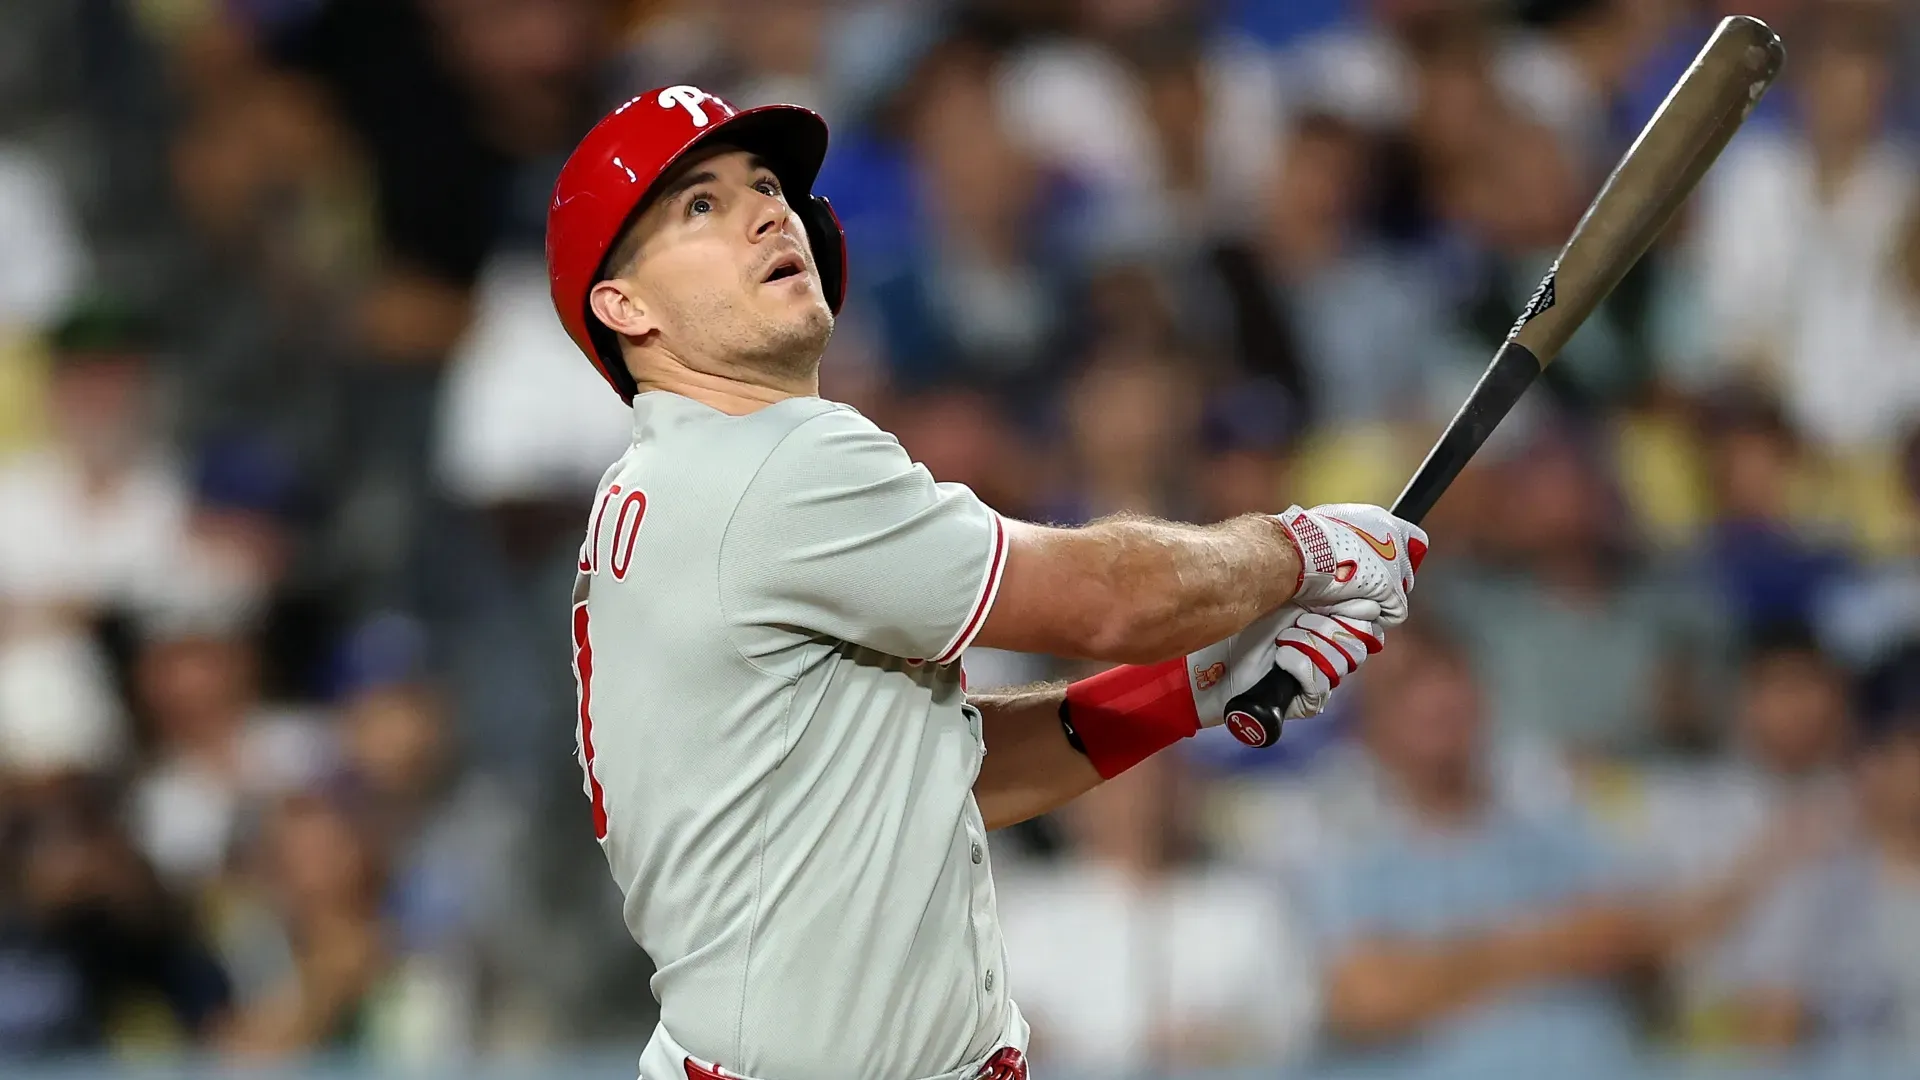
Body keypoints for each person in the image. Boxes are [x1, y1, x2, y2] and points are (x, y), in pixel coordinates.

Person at [541, 85, 1429, 1080]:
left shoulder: (665, 482)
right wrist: (1299, 547)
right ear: (625, 306)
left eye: (764, 186)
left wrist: (1197, 687)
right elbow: (1109, 601)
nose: (765, 211)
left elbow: (942, 780)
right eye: (699, 206)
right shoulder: (771, 465)